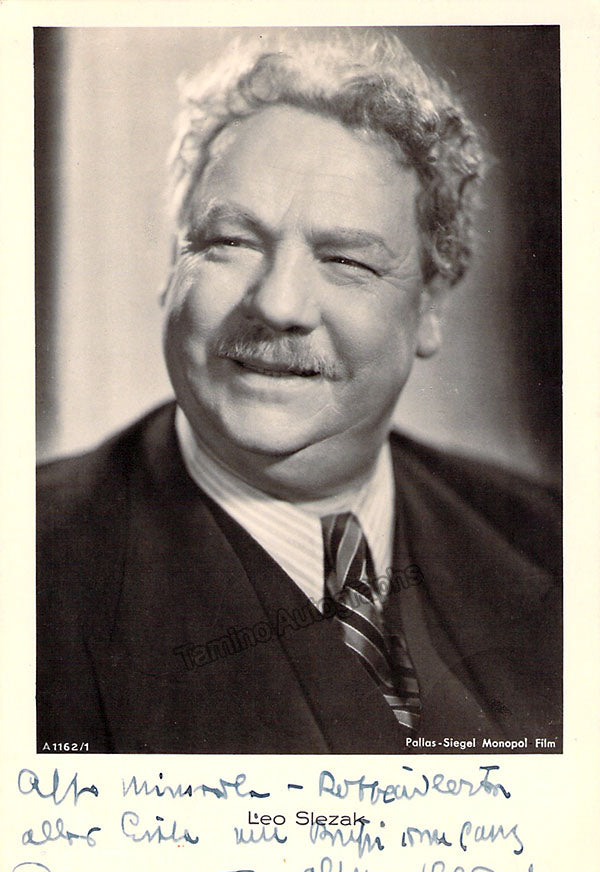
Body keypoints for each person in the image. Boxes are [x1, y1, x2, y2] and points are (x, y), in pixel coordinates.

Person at [37, 28, 561, 754]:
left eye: (345, 259)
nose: (279, 304)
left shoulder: (553, 541)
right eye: (231, 242)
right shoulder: (30, 566)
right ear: (171, 263)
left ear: (430, 307)